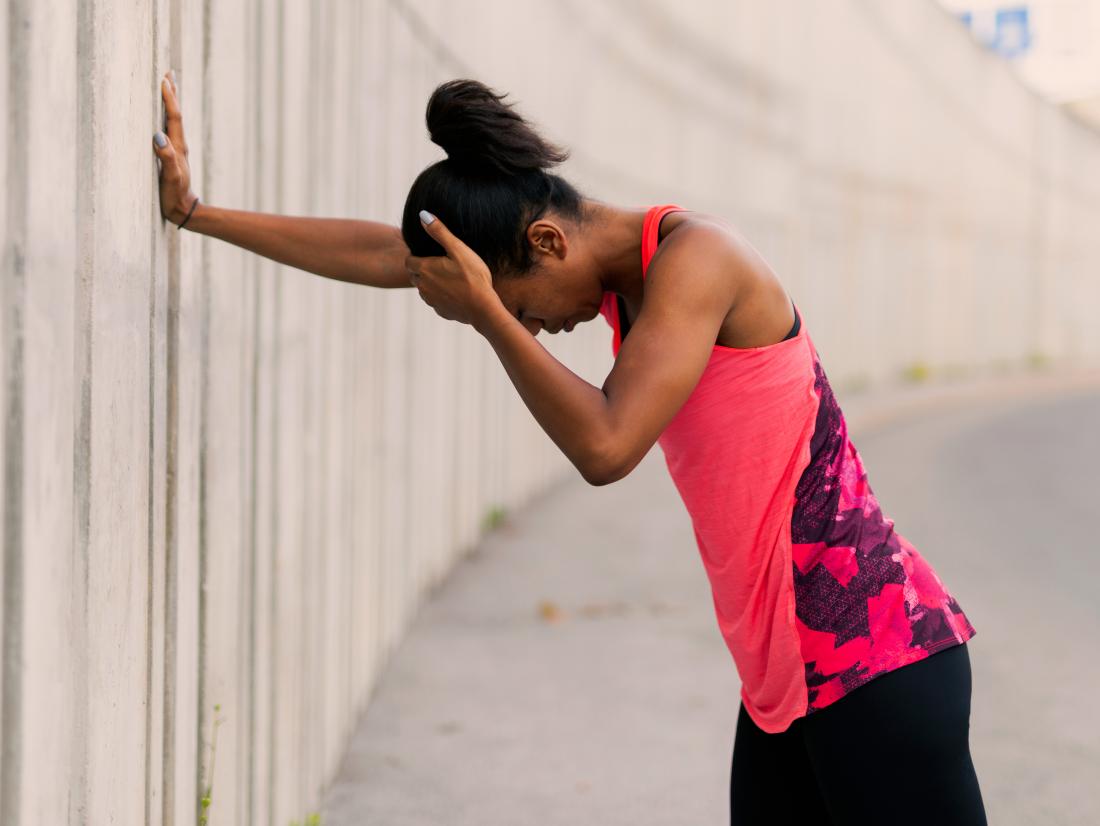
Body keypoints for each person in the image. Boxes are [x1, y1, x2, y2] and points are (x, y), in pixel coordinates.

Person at [152, 71, 988, 824]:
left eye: (521, 304)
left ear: (548, 242)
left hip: (876, 658)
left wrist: (488, 318)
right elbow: (386, 253)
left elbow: (606, 446)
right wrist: (196, 214)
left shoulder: (700, 262)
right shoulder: (631, 278)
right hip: (788, 675)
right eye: (514, 317)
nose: (530, 324)